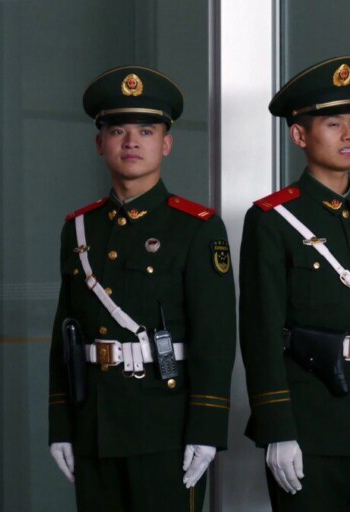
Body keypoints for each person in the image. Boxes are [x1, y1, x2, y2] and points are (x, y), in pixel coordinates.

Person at [47, 65, 236, 512]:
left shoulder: (196, 228)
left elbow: (216, 337)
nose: (131, 142)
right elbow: (65, 334)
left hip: (167, 428)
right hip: (94, 424)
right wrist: (60, 423)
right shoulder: (79, 228)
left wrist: (207, 429)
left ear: (166, 144)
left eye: (146, 131)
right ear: (101, 143)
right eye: (118, 130)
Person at [239, 56, 350, 511]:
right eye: (333, 123)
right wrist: (278, 428)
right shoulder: (274, 220)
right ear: (300, 135)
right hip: (309, 425)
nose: (349, 135)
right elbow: (261, 333)